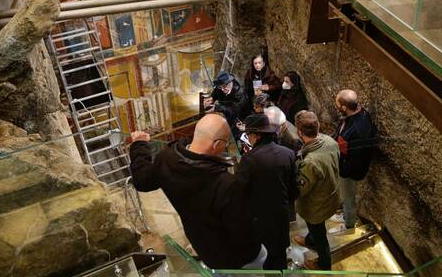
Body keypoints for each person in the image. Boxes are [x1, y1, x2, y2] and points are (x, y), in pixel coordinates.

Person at [128, 114, 266, 269]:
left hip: (204, 248)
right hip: (235, 258)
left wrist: (139, 145)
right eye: (225, 143)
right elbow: (244, 234)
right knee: (262, 256)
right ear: (217, 144)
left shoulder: (166, 159)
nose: (225, 148)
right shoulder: (225, 184)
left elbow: (142, 181)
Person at [235, 114, 298, 270]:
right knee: (279, 256)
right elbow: (294, 190)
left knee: (263, 257)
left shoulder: (249, 159)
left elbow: (239, 193)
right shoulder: (288, 154)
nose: (247, 138)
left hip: (259, 219)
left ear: (256, 135)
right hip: (281, 216)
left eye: (248, 135)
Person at [291, 111, 341, 270]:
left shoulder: (311, 162)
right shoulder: (330, 141)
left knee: (320, 236)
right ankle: (309, 240)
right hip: (330, 196)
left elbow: (301, 190)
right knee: (316, 230)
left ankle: (324, 264)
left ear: (299, 132)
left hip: (316, 207)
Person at [330, 90, 379, 233]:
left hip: (348, 170)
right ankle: (346, 215)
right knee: (346, 196)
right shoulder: (357, 113)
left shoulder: (359, 130)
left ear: (344, 107)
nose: (336, 106)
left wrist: (343, 171)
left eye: (337, 104)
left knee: (348, 198)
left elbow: (358, 158)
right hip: (344, 163)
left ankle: (348, 225)